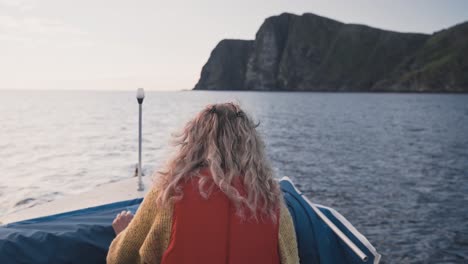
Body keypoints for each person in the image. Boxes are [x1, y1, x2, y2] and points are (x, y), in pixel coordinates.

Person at [107, 102, 299, 264]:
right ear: (251, 146)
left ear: (193, 142)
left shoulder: (170, 192)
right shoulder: (272, 201)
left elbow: (120, 259)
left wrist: (121, 234)